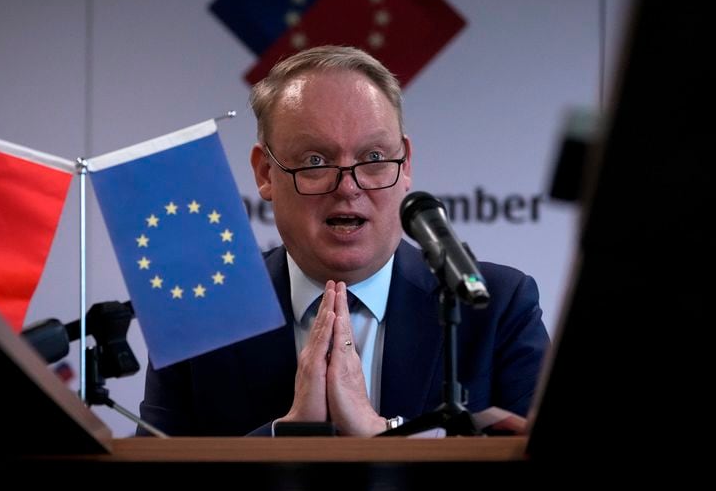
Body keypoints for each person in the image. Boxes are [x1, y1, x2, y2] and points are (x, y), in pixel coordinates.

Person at [138, 45, 549, 437]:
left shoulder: (494, 306)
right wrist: (287, 434)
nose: (348, 187)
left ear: (405, 165)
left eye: (373, 158)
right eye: (316, 161)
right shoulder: (200, 311)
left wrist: (383, 436)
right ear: (265, 173)